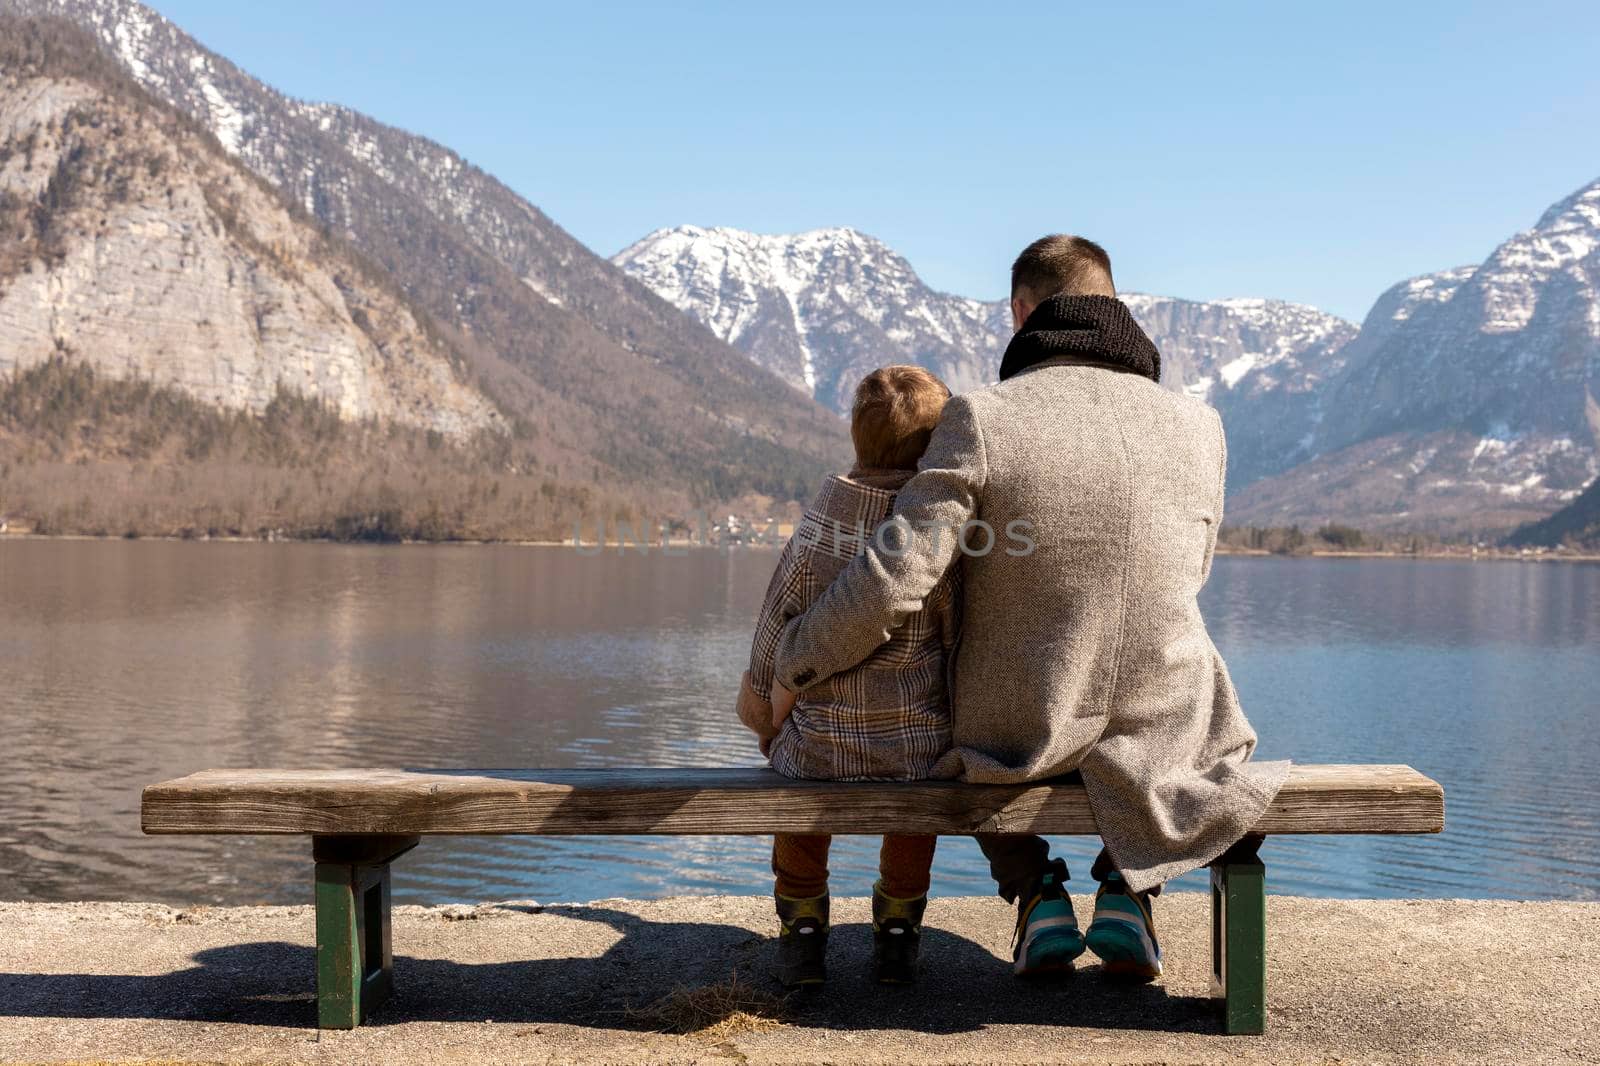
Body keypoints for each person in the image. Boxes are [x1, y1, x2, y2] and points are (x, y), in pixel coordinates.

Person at [769, 235, 1290, 981]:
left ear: (1021, 314)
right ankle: (1124, 890)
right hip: (1169, 719)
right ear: (1114, 305)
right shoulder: (1200, 426)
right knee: (1193, 723)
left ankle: (1037, 892)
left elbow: (892, 577)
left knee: (960, 730)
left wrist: (794, 665)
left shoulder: (982, 419)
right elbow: (1192, 571)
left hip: (1023, 728)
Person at [737, 364, 959, 988]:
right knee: (915, 821)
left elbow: (772, 630)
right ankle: (897, 930)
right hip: (918, 747)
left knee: (798, 803)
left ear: (858, 438)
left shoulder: (821, 524)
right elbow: (959, 640)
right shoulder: (940, 534)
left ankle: (804, 928)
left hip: (820, 745)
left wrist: (764, 717)